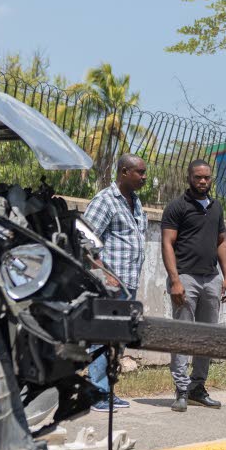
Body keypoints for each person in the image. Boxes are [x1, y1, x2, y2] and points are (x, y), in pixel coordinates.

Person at [161, 159, 226, 412]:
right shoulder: (177, 207)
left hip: (211, 278)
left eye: (206, 177)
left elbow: (221, 241)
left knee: (207, 336)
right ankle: (181, 390)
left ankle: (197, 388)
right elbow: (167, 243)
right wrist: (175, 280)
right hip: (186, 278)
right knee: (183, 334)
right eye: (198, 177)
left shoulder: (216, 206)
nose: (203, 181)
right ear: (189, 178)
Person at [83, 153, 148, 411]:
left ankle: (107, 391)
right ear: (124, 172)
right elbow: (83, 240)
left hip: (128, 282)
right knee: (102, 337)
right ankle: (97, 393)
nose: (144, 177)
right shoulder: (105, 200)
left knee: (116, 338)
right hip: (109, 285)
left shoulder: (135, 202)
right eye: (140, 172)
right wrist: (104, 273)